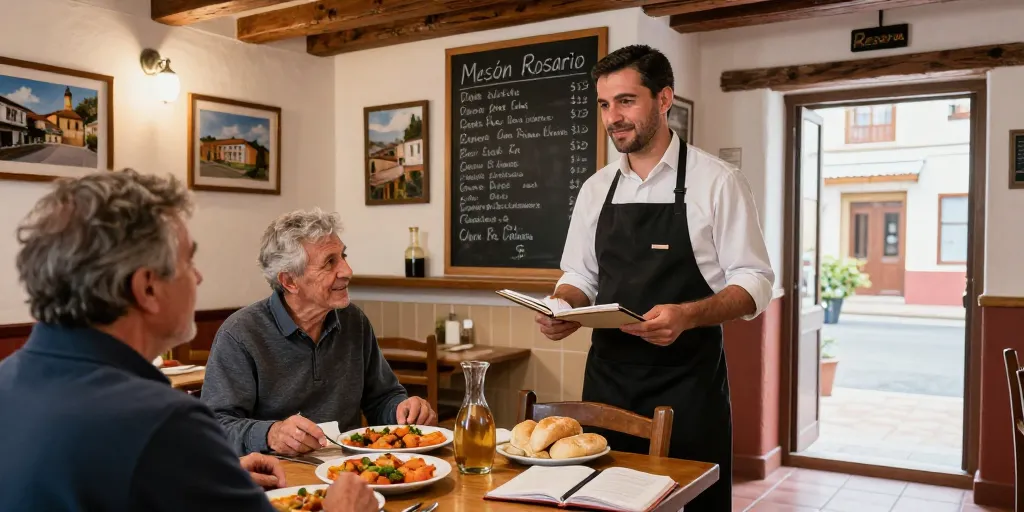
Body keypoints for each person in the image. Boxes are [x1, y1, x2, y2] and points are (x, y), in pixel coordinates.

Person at [0, 169, 379, 511]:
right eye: (187, 262)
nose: (197, 278)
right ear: (147, 288)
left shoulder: (7, 382)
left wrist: (208, 476)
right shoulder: (163, 424)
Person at [536, 45, 775, 511]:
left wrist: (688, 314)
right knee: (604, 504)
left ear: (664, 99)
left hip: (688, 386)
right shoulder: (595, 188)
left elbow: (756, 280)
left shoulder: (717, 181)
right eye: (605, 104)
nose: (612, 117)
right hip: (607, 386)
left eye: (626, 101)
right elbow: (579, 273)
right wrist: (562, 304)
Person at [202, 208, 437, 456]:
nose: (347, 270)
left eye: (343, 256)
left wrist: (403, 408)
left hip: (350, 471)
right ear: (290, 281)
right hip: (279, 478)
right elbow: (214, 427)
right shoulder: (241, 334)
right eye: (330, 262)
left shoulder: (353, 321)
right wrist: (271, 433)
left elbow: (381, 399)